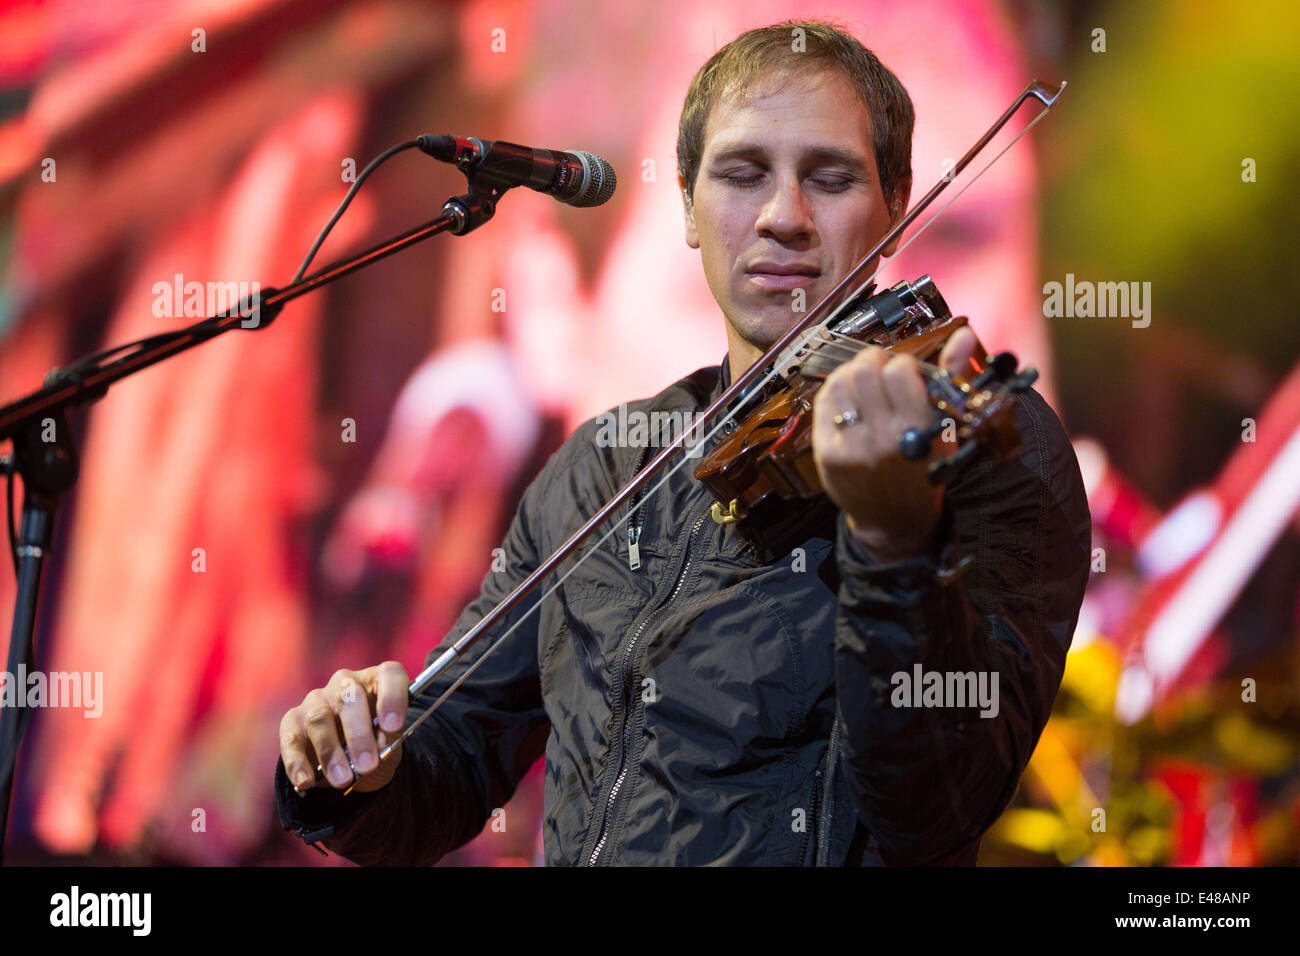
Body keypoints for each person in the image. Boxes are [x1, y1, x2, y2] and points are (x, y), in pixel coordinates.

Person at [274, 19, 1091, 866]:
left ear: (895, 206)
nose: (785, 217)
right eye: (742, 174)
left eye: (831, 178)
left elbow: (940, 804)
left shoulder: (986, 450)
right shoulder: (605, 463)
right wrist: (357, 768)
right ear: (690, 210)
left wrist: (894, 546)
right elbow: (454, 758)